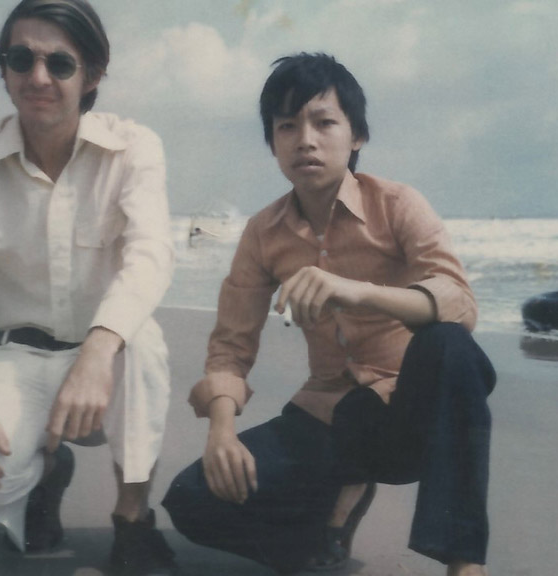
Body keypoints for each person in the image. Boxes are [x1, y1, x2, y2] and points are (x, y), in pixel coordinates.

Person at [162, 53, 495, 576]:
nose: (305, 140)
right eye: (287, 126)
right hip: (330, 417)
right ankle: (320, 536)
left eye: (324, 122)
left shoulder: (398, 204)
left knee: (451, 345)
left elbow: (459, 301)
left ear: (356, 135)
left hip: (406, 414)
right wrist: (221, 431)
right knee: (191, 498)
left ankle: (464, 563)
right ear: (272, 142)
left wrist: (359, 292)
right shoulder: (263, 233)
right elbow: (231, 345)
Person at [0, 1, 178, 574]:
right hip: (20, 354)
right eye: (21, 58)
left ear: (93, 77)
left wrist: (97, 353)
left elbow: (151, 256)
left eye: (60, 63)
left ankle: (133, 520)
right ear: (2, 69)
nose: (38, 77)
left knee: (144, 343)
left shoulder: (135, 148)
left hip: (109, 358)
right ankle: (44, 474)